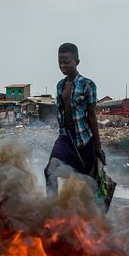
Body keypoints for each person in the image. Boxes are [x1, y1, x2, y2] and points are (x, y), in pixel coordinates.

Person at [44, 42, 105, 197]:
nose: (63, 66)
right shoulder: (60, 85)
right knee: (50, 170)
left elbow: (92, 116)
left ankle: (94, 215)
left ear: (77, 62)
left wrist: (97, 145)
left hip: (84, 140)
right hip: (65, 137)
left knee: (89, 181)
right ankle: (51, 212)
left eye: (67, 62)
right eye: (60, 62)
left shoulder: (88, 85)